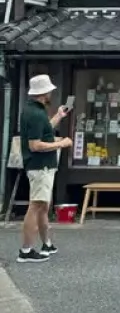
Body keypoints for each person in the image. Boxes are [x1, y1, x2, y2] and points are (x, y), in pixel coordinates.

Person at [18, 75, 71, 263]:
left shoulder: (33, 111)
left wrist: (58, 116)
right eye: (49, 91)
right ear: (43, 93)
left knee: (42, 205)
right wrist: (61, 144)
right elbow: (35, 144)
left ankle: (46, 244)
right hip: (41, 165)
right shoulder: (36, 113)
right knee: (36, 205)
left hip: (40, 165)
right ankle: (26, 250)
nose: (51, 93)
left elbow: (44, 130)